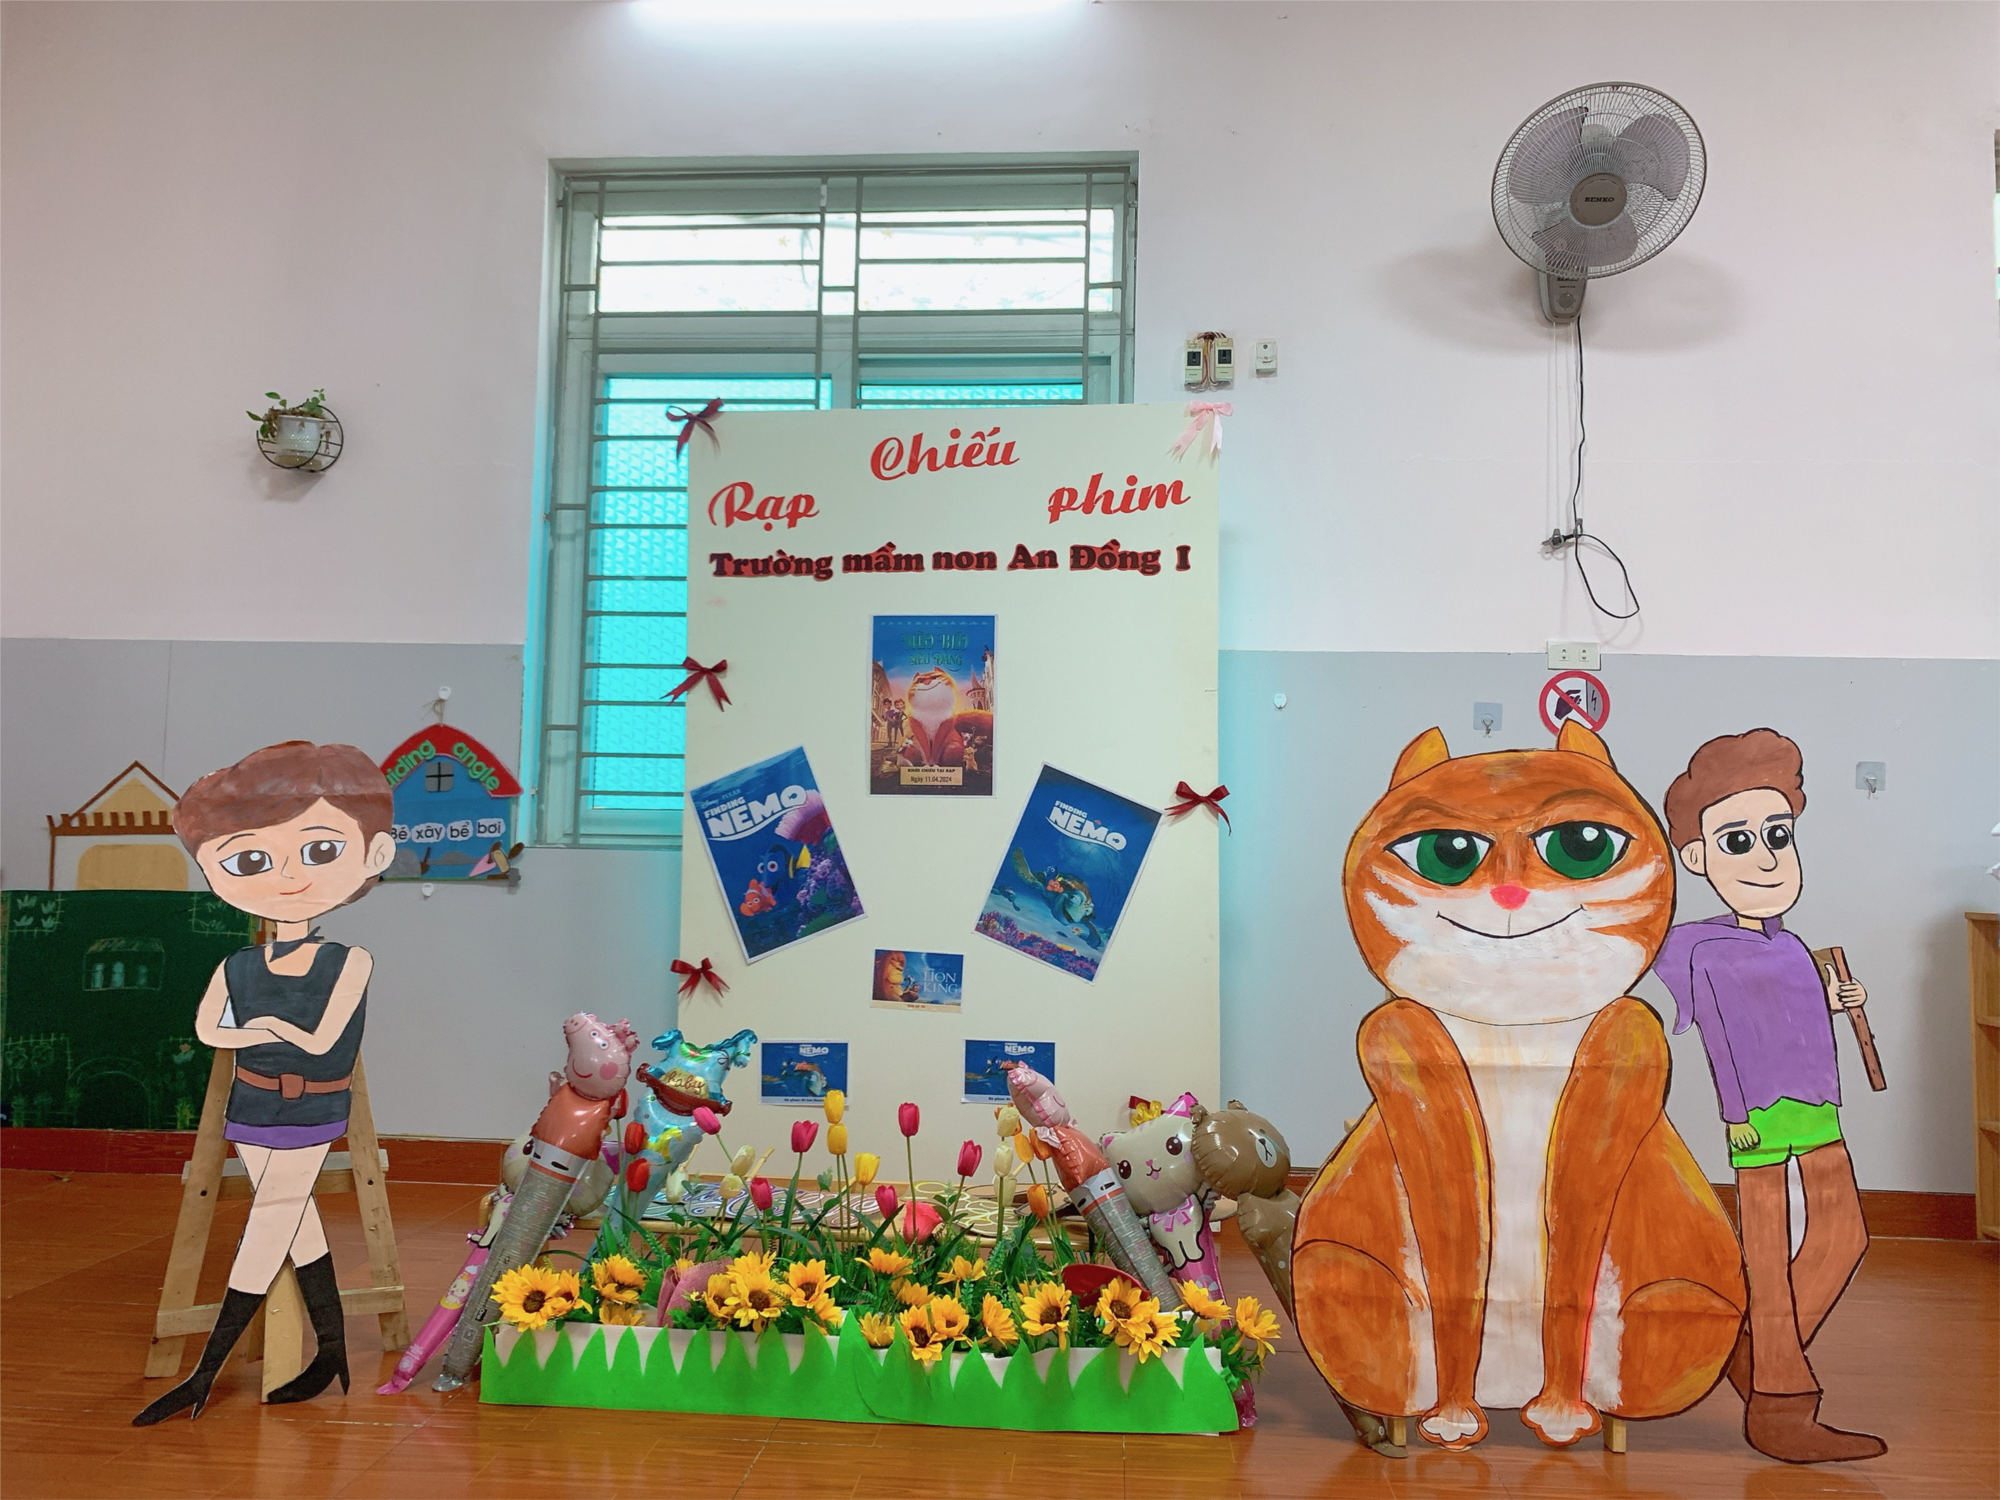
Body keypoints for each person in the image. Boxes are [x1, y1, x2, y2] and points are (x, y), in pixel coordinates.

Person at [135, 742, 396, 1425]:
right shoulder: (237, 964)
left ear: (373, 855)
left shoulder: (350, 961)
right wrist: (268, 1031)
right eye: (249, 861)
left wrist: (260, 1028)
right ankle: (332, 1350)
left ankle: (205, 1372)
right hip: (250, 1105)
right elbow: (209, 1029)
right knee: (294, 1217)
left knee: (272, 1215)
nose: (286, 876)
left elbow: (322, 1040)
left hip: (314, 1106)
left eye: (319, 851)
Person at [1654, 729, 1884, 1464]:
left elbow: (1790, 1015)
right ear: (1698, 858)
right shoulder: (1699, 948)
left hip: (1815, 1105)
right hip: (1756, 1119)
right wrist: (1736, 1120)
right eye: (1738, 841)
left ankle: (1748, 1352)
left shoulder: (1785, 944)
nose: (1765, 858)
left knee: (1843, 1236)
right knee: (1767, 1255)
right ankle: (1782, 1404)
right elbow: (1723, 1038)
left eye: (1777, 836)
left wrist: (1835, 996)